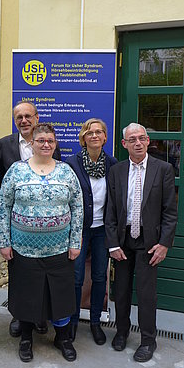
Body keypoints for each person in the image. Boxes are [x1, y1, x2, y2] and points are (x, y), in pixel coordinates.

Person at [0, 123, 83, 362]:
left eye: (50, 141)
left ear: (55, 144)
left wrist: (75, 241)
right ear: (32, 143)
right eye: (41, 140)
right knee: (27, 295)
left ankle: (63, 338)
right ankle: (26, 339)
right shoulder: (16, 170)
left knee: (61, 295)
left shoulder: (66, 171)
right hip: (24, 249)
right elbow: (3, 207)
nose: (46, 144)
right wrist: (4, 242)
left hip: (59, 249)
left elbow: (77, 207)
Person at [105, 123, 177, 362]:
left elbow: (169, 211)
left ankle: (148, 340)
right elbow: (111, 210)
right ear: (124, 144)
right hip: (123, 241)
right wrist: (113, 244)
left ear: (148, 142)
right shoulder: (116, 171)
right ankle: (122, 332)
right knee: (122, 291)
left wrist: (164, 244)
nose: (138, 142)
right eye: (132, 139)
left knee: (147, 294)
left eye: (142, 138)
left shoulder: (163, 169)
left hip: (150, 242)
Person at [0, 101, 61, 338]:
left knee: (42, 274)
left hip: (46, 230)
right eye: (19, 117)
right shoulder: (4, 144)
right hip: (16, 225)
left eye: (28, 116)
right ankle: (20, 317)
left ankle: (40, 315)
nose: (23, 120)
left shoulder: (48, 143)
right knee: (19, 271)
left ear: (36, 117)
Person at [67, 118, 117, 343]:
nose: (95, 135)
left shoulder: (113, 165)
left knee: (98, 276)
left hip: (102, 230)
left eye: (99, 132)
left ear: (105, 137)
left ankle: (96, 322)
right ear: (83, 138)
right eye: (90, 132)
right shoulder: (72, 163)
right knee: (76, 278)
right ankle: (73, 322)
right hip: (79, 229)